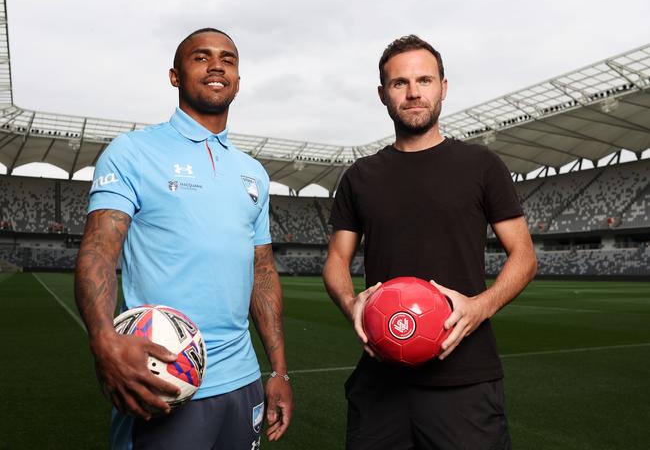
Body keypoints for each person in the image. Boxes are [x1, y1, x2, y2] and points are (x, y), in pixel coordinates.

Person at [75, 28, 293, 449]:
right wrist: (103, 340)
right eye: (201, 57)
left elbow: (262, 271)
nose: (217, 66)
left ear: (238, 81)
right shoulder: (132, 151)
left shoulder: (254, 174)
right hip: (164, 378)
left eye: (228, 59)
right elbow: (98, 251)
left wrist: (279, 371)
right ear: (175, 76)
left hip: (243, 380)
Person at [323, 35, 537, 450]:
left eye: (424, 79)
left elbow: (524, 256)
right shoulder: (360, 176)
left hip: (465, 380)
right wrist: (351, 304)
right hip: (380, 380)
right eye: (400, 83)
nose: (414, 92)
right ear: (383, 94)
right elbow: (336, 258)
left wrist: (479, 308)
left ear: (443, 86)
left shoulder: (482, 166)